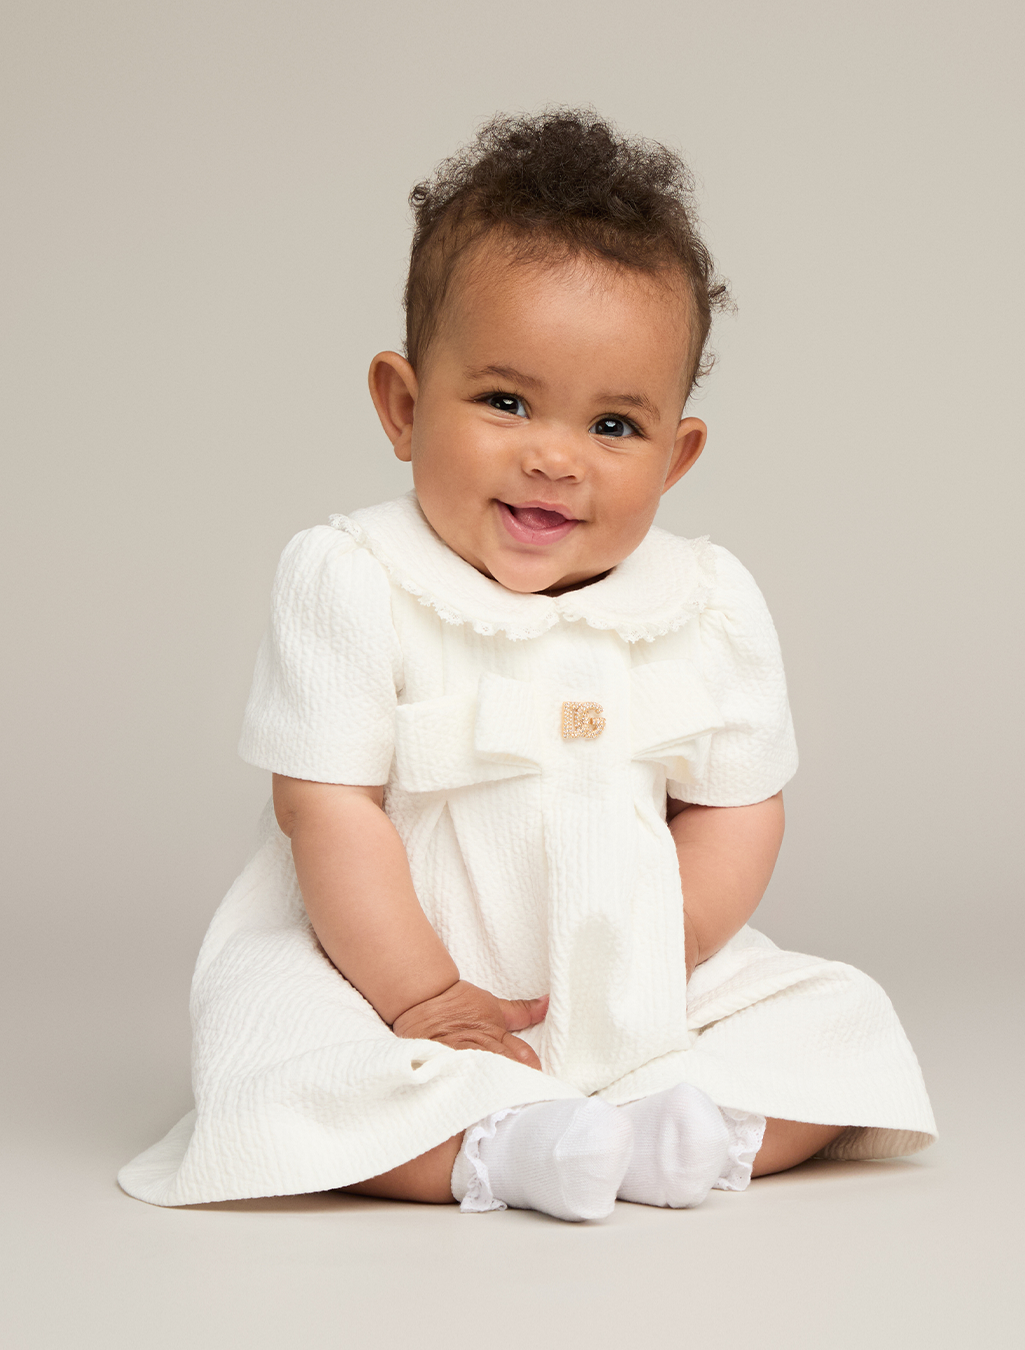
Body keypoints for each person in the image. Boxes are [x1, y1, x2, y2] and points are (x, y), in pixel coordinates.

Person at [119, 110, 936, 1220]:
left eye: (615, 426)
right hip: (387, 977)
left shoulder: (705, 604)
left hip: (633, 975)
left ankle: (688, 1128)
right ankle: (503, 1149)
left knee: (839, 1020)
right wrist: (424, 995)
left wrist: (662, 952)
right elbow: (326, 807)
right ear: (405, 407)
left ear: (677, 456)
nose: (555, 456)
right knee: (279, 1054)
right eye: (506, 403)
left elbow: (737, 808)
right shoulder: (356, 579)